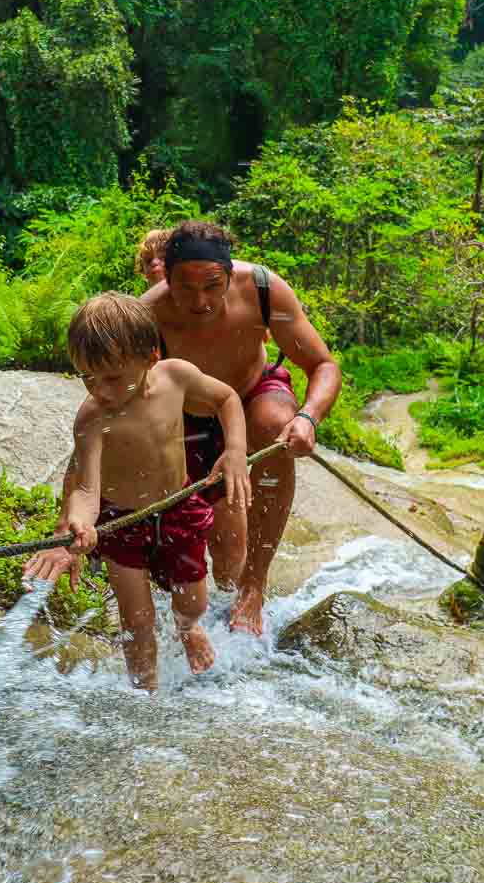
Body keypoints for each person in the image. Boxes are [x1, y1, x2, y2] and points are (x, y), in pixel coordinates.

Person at [24, 293, 252, 693]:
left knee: (193, 601)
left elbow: (226, 398)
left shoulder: (176, 376)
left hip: (178, 507)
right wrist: (78, 523)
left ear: (151, 357)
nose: (100, 390)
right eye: (87, 378)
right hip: (120, 520)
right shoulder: (92, 417)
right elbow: (86, 485)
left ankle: (188, 627)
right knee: (137, 619)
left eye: (111, 377)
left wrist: (234, 450)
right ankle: (142, 694)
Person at [146, 220, 342, 635]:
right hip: (190, 416)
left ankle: (256, 587)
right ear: (166, 276)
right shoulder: (147, 314)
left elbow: (323, 366)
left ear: (229, 272)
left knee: (274, 423)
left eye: (212, 286)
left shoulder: (263, 289)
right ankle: (219, 594)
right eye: (186, 287)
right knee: (224, 559)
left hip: (256, 393)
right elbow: (119, 398)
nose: (200, 301)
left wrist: (308, 418)